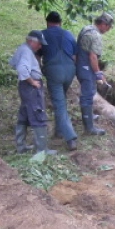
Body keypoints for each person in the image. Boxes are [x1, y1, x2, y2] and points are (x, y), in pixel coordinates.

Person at [9, 30, 56, 155]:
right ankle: (42, 149)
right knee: (38, 113)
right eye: (39, 44)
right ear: (31, 41)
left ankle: (21, 146)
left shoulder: (22, 49)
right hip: (30, 87)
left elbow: (13, 62)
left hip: (24, 87)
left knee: (24, 114)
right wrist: (32, 82)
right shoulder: (26, 52)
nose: (40, 46)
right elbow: (22, 69)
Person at [40, 11, 78, 151]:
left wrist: (40, 71)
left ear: (47, 22)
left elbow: (37, 57)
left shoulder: (43, 34)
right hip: (70, 70)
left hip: (54, 71)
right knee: (61, 101)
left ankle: (70, 138)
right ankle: (59, 131)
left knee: (59, 104)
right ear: (60, 22)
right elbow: (75, 56)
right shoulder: (68, 34)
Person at [76, 12, 114, 136]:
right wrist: (98, 73)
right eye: (108, 27)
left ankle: (89, 116)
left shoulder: (86, 29)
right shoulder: (95, 35)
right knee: (87, 96)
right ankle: (89, 128)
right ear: (103, 24)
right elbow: (93, 56)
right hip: (86, 68)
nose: (108, 30)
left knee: (89, 92)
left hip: (80, 66)